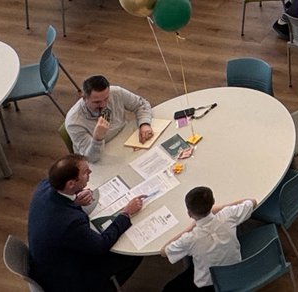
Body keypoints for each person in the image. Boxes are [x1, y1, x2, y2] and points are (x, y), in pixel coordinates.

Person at [27, 154, 145, 292]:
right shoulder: (70, 223)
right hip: (69, 278)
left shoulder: (45, 185)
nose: (90, 173)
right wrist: (125, 214)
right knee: (133, 255)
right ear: (71, 183)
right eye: (85, 172)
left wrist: (75, 201)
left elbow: (60, 208)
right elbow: (101, 245)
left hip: (46, 261)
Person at [161, 186, 257, 291]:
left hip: (209, 284)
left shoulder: (190, 239)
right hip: (235, 270)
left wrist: (190, 228)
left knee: (168, 288)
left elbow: (164, 251)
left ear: (189, 213)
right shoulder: (228, 216)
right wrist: (223, 207)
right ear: (213, 202)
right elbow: (252, 202)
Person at [64, 74, 154, 162]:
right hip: (101, 156)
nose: (103, 105)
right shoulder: (74, 122)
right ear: (84, 98)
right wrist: (97, 138)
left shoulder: (116, 92)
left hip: (124, 141)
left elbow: (141, 104)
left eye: (106, 99)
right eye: (97, 102)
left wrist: (144, 124)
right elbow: (91, 158)